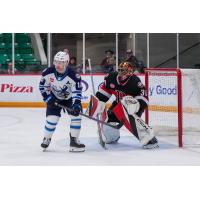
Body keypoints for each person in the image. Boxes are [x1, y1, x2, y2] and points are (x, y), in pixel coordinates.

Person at [89, 61, 158, 149]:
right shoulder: (111, 77)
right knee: (108, 122)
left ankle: (149, 139)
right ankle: (112, 137)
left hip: (131, 108)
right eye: (120, 70)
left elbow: (144, 97)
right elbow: (105, 91)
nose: (121, 73)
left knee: (127, 104)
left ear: (130, 72)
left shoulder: (135, 81)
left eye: (124, 71)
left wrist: (137, 104)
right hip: (117, 105)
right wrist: (99, 102)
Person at [39, 51, 85, 152]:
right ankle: (46, 138)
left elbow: (77, 91)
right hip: (54, 98)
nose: (58, 65)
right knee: (51, 120)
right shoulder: (47, 72)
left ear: (67, 63)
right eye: (56, 62)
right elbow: (42, 86)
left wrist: (76, 104)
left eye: (61, 63)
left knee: (77, 117)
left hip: (69, 100)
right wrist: (47, 97)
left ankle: (74, 141)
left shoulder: (74, 75)